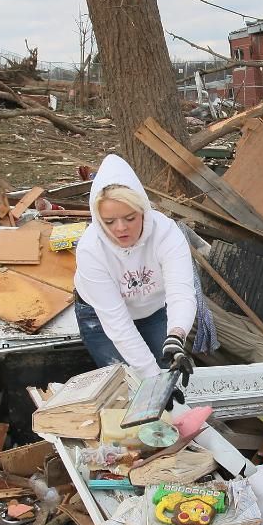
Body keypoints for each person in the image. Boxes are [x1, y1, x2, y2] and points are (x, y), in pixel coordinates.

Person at [74, 154, 210, 381]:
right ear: (98, 219)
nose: (120, 228)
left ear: (143, 211)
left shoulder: (166, 233)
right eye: (109, 222)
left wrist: (176, 335)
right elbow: (118, 324)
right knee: (128, 381)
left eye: (129, 218)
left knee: (170, 370)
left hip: (153, 309)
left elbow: (181, 292)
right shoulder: (91, 250)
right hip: (100, 317)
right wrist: (151, 379)